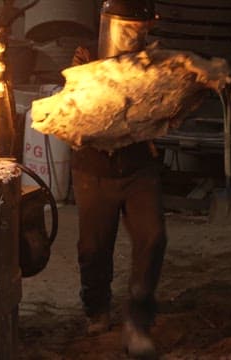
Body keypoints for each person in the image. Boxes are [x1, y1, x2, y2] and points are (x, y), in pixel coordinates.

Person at [70, 1, 166, 358]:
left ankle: (138, 321)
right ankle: (96, 309)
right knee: (93, 248)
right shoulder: (85, 62)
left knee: (152, 237)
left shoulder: (152, 65)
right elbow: (71, 113)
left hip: (140, 166)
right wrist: (81, 80)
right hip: (94, 170)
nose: (132, 37)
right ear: (107, 25)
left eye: (139, 30)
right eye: (125, 29)